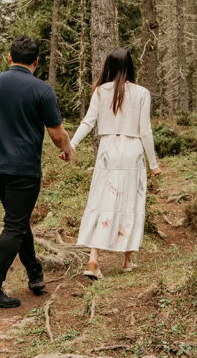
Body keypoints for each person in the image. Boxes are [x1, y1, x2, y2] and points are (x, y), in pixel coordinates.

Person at [0, 36, 75, 309]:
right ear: (37, 62)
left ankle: (35, 274)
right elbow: (56, 134)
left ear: (9, 58)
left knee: (17, 220)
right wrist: (68, 148)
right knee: (15, 224)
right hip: (24, 169)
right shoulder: (42, 90)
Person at [68, 47, 160, 277]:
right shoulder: (141, 93)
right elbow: (145, 131)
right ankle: (128, 260)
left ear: (108, 66)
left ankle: (94, 256)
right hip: (132, 150)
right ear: (130, 67)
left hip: (108, 150)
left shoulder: (100, 91)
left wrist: (72, 145)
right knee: (132, 201)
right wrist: (153, 164)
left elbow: (88, 122)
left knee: (102, 199)